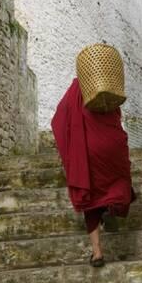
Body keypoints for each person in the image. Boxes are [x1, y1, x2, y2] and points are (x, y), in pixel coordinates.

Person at [51, 76, 136, 268]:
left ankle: (97, 253)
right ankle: (112, 207)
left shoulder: (76, 88)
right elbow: (117, 116)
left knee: (90, 198)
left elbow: (59, 119)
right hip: (112, 144)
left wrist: (67, 148)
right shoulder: (108, 87)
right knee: (118, 179)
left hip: (87, 150)